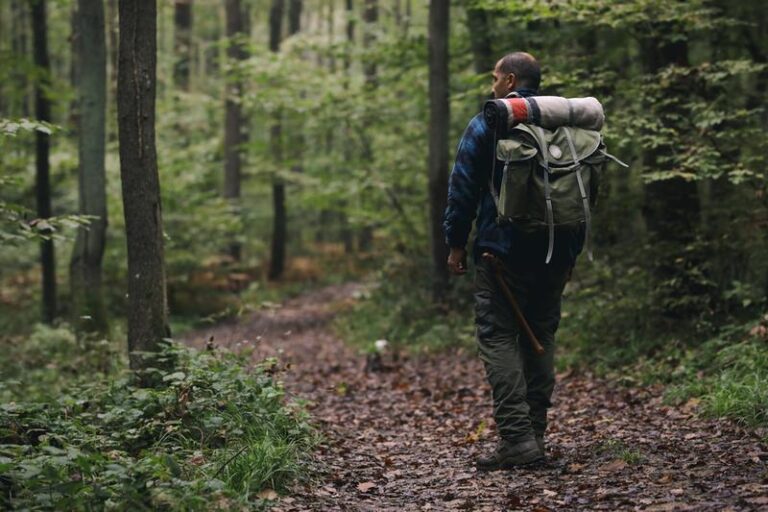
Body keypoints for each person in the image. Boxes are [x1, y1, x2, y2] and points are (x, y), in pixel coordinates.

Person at [442, 52, 584, 471]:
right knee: (541, 334)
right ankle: (534, 434)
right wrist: (572, 251)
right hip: (557, 248)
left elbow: (463, 186)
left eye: (495, 78)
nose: (492, 85)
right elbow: (583, 192)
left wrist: (455, 243)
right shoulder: (565, 124)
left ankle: (518, 440)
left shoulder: (489, 121)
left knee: (498, 336)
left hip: (500, 252)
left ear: (509, 81)